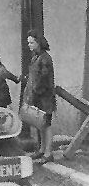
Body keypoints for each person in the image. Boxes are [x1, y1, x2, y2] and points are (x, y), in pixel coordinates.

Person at [23, 29, 55, 163]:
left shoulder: (45, 59)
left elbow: (43, 79)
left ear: (38, 43)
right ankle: (42, 150)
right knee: (40, 124)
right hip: (36, 96)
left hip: (45, 97)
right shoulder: (36, 57)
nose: (29, 45)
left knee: (46, 125)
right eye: (28, 42)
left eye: (31, 42)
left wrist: (35, 93)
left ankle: (48, 153)